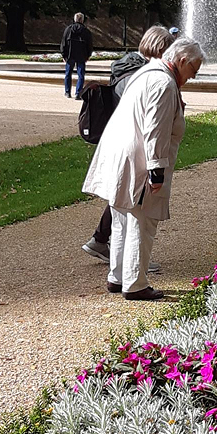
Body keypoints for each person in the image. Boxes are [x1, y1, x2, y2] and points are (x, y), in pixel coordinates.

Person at [82, 36, 206, 301]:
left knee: (122, 218)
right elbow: (156, 130)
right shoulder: (163, 83)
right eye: (193, 70)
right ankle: (135, 284)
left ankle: (117, 276)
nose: (193, 77)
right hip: (138, 159)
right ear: (182, 61)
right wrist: (156, 170)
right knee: (142, 220)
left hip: (121, 153)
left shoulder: (147, 73)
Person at [82, 25, 175, 265]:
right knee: (133, 205)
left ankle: (104, 243)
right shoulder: (145, 74)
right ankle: (130, 265)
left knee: (123, 199)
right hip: (132, 145)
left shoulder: (128, 68)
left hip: (120, 141)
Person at [60, 12, 94, 100]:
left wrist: (64, 55)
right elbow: (89, 45)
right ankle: (78, 93)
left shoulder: (68, 29)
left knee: (68, 73)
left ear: (74, 19)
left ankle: (67, 92)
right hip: (81, 55)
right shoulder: (86, 31)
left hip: (70, 54)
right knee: (81, 75)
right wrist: (88, 55)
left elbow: (64, 43)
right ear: (82, 20)